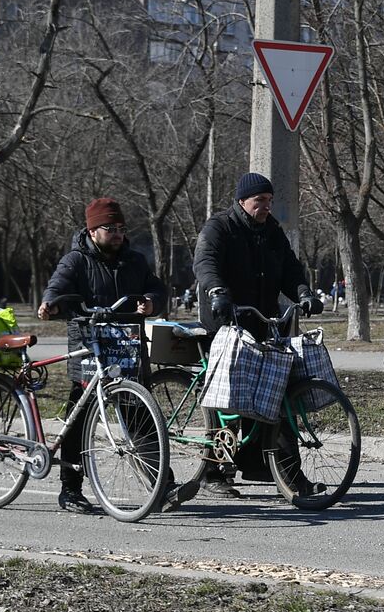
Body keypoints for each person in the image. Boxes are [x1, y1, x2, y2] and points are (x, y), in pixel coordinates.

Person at [193, 172, 324, 498]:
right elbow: (205, 263)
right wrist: (217, 291)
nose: (266, 207)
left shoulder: (272, 232)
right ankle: (212, 472)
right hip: (225, 325)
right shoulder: (219, 228)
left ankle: (279, 471)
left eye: (269, 201)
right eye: (259, 201)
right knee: (227, 400)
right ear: (242, 201)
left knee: (276, 396)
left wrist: (303, 293)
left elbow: (290, 269)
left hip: (262, 323)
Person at [38, 197, 165, 514]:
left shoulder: (135, 261)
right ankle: (70, 489)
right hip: (89, 346)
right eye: (111, 228)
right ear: (93, 231)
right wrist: (50, 303)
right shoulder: (76, 260)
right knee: (79, 420)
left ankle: (163, 485)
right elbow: (58, 285)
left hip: (126, 347)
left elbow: (157, 288)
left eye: (121, 228)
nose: (118, 234)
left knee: (140, 417)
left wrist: (151, 302)